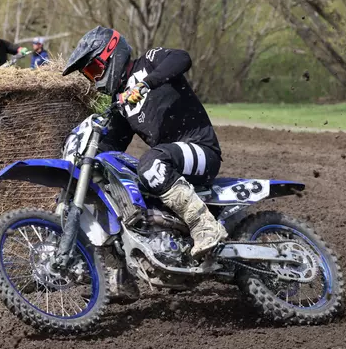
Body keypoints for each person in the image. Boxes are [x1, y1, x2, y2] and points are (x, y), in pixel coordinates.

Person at [62, 26, 227, 301]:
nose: (95, 79)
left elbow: (182, 58)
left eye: (95, 69)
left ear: (111, 55)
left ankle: (206, 227)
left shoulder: (149, 61)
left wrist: (146, 83)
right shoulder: (121, 103)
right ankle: (119, 277)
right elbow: (110, 145)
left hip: (201, 149)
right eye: (89, 74)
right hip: (171, 161)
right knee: (111, 181)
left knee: (149, 163)